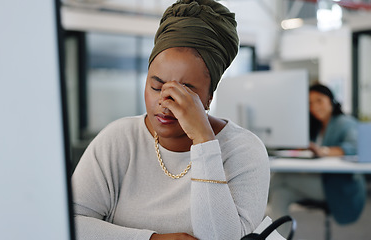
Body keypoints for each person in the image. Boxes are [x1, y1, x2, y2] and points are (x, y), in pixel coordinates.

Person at [71, 1, 270, 240]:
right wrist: (152, 239)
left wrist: (204, 142)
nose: (164, 103)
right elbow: (70, 223)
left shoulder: (243, 151)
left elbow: (223, 238)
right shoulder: (119, 139)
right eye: (156, 87)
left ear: (208, 98)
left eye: (183, 94)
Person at [268, 83, 366, 228]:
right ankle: (275, 237)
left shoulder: (345, 123)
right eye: (310, 103)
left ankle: (250, 212)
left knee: (282, 176)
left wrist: (323, 151)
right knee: (280, 195)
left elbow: (355, 147)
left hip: (337, 186)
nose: (314, 107)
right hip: (317, 181)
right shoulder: (319, 126)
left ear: (331, 101)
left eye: (319, 100)